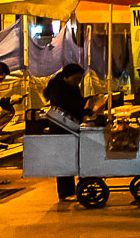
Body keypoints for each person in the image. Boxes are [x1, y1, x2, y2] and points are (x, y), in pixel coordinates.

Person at [42, 63, 91, 199]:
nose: (77, 82)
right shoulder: (57, 90)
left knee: (72, 157)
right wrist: (84, 110)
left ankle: (73, 188)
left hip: (70, 125)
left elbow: (78, 103)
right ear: (66, 77)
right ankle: (65, 192)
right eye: (75, 79)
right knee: (64, 159)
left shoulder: (72, 87)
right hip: (60, 126)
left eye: (80, 79)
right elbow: (69, 105)